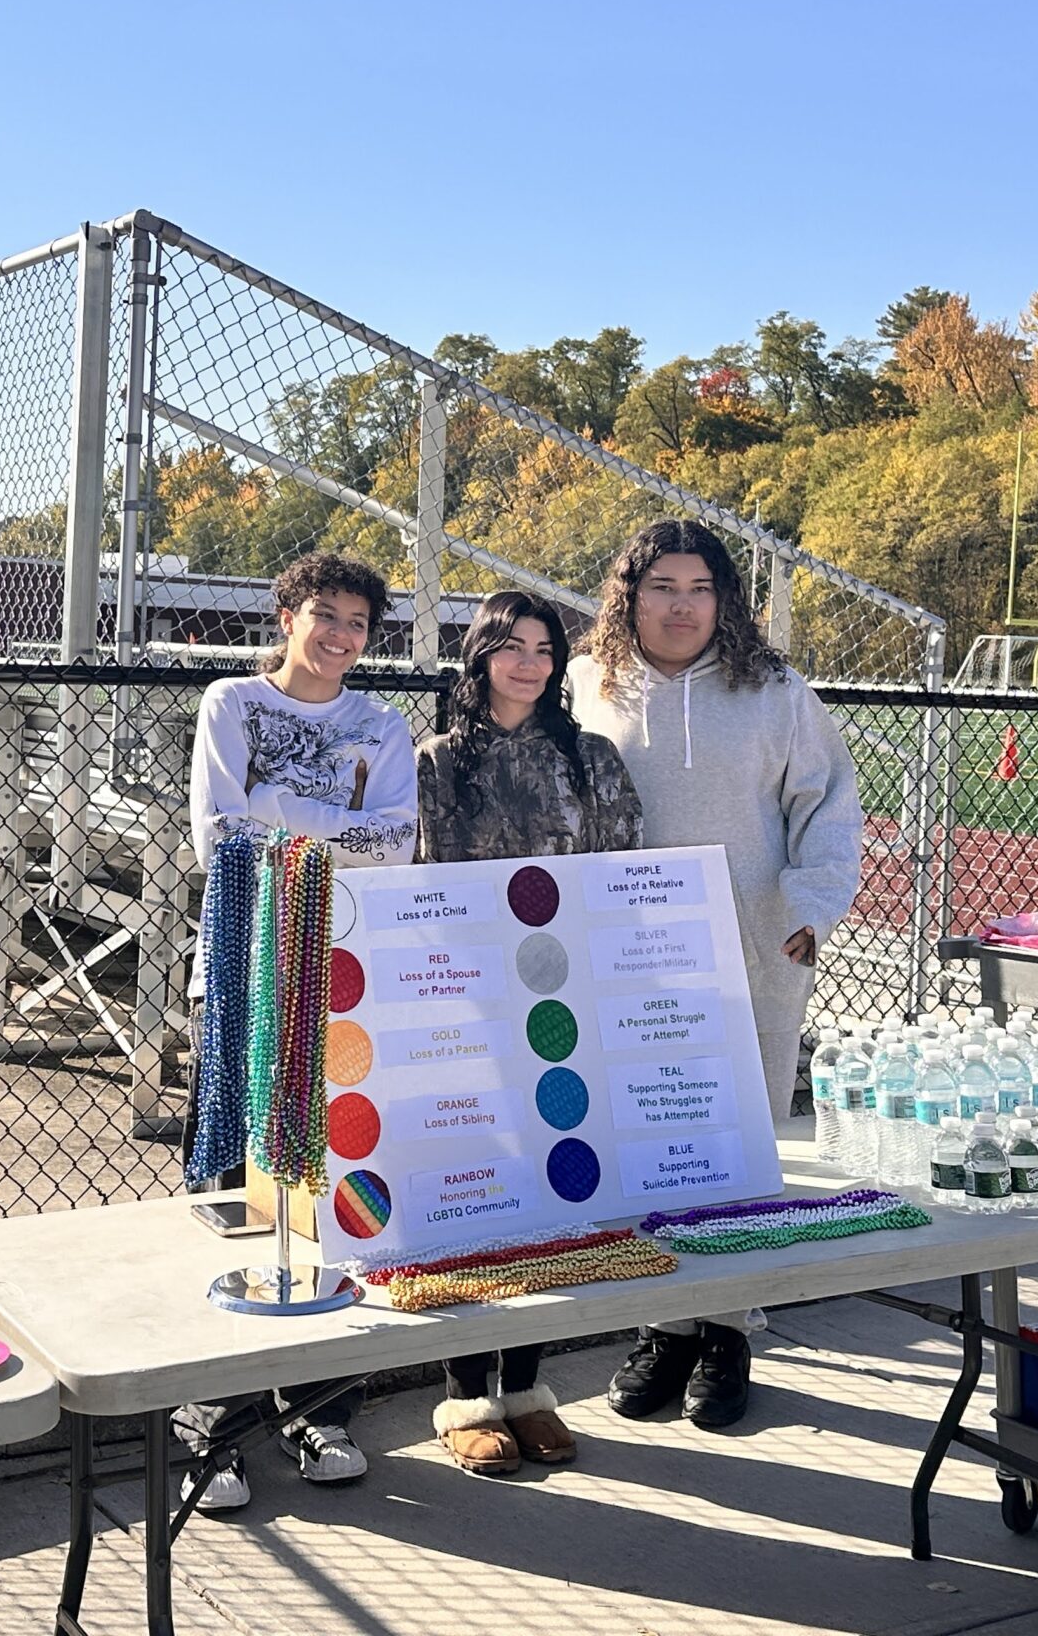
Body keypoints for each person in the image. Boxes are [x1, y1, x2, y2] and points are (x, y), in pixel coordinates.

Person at [570, 518, 863, 1431]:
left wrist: (812, 906)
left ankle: (728, 1328)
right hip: (625, 954)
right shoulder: (587, 684)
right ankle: (665, 1326)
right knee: (647, 1140)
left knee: (743, 1142)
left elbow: (826, 804)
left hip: (754, 948)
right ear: (631, 594)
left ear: (725, 601)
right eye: (663, 587)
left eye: (700, 589)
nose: (682, 606)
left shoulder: (775, 692)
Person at [178, 551, 417, 1513]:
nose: (339, 637)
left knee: (325, 1182)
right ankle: (219, 1426)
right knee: (236, 1186)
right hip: (242, 966)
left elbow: (399, 836)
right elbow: (216, 834)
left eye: (357, 623)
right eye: (324, 615)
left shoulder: (382, 724)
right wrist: (327, 835)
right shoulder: (232, 704)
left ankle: (319, 1406)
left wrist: (289, 831)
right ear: (287, 616)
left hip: (342, 968)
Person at [415, 589, 642, 1475]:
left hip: (564, 1002)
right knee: (474, 1188)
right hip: (469, 1000)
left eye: (545, 649)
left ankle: (526, 1387)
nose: (530, 662)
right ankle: (466, 1391)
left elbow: (623, 872)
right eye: (510, 645)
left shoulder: (590, 759)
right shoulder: (436, 760)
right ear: (479, 657)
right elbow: (416, 884)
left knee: (555, 1186)